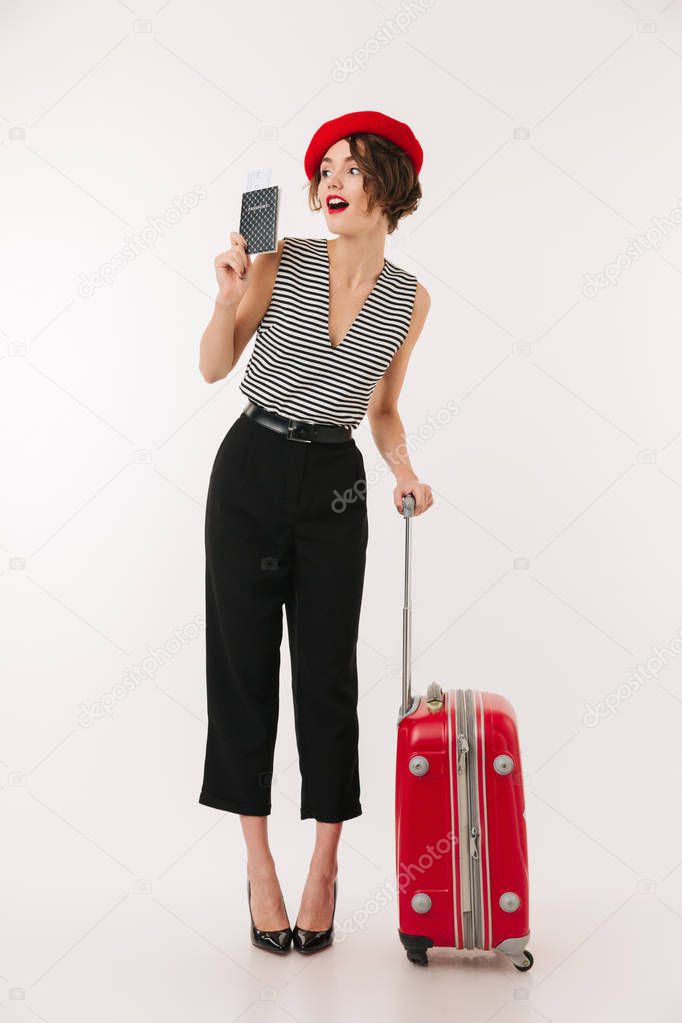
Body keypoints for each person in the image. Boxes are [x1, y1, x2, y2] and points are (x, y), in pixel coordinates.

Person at [197, 110, 434, 954]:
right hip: (251, 468)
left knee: (328, 674)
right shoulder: (280, 258)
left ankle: (324, 864)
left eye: (353, 167)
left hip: (335, 482)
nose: (331, 181)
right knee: (244, 663)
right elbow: (216, 364)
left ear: (392, 187)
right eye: (324, 168)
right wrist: (228, 300)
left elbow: (384, 409)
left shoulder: (410, 299)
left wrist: (403, 468)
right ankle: (259, 862)